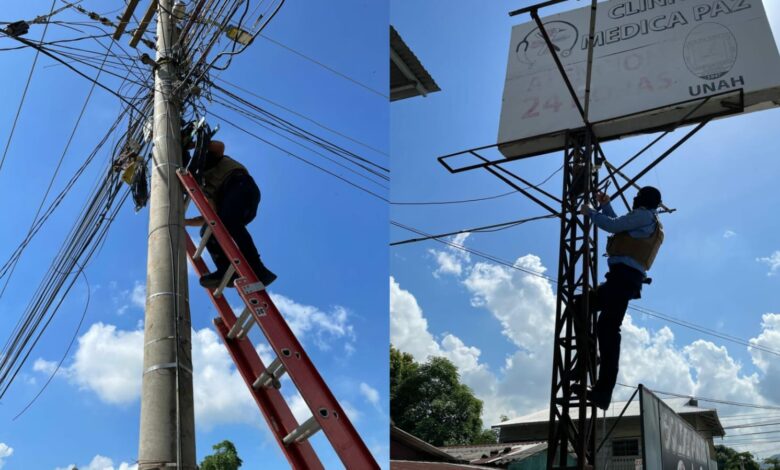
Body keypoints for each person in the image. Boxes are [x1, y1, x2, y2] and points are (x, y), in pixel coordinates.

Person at [579, 186, 664, 410]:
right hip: (623, 279)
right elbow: (620, 223)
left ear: (643, 200)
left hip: (622, 279)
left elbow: (613, 225)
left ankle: (603, 392)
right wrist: (605, 205)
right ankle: (590, 358)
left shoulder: (644, 215)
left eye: (637, 197)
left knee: (607, 328)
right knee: (582, 306)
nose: (634, 199)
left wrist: (590, 212)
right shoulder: (649, 220)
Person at [184, 140, 277, 289]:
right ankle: (226, 270)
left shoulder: (206, 160)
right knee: (209, 230)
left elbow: (218, 146)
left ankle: (258, 269)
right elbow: (211, 215)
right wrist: (185, 222)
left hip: (240, 185)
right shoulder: (203, 185)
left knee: (229, 221)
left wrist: (189, 144)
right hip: (232, 199)